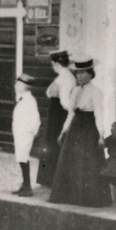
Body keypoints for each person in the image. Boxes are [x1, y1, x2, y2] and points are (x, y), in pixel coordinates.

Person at [48, 56, 112, 207]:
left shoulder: (96, 91)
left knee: (87, 163)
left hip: (88, 130)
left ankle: (87, 199)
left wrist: (101, 134)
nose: (80, 76)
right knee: (70, 161)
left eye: (83, 73)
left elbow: (99, 114)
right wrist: (63, 131)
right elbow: (71, 113)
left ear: (90, 74)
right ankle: (69, 197)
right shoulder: (76, 90)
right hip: (75, 128)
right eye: (78, 73)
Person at [34, 50, 76, 187]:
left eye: (53, 63)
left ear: (56, 63)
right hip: (56, 115)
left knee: (53, 145)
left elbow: (64, 102)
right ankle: (49, 179)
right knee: (52, 145)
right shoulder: (64, 76)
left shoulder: (65, 78)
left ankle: (52, 180)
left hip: (59, 115)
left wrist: (72, 110)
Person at [11, 74, 42, 197]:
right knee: (21, 158)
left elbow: (36, 119)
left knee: (23, 158)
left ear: (24, 86)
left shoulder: (30, 100)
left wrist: (31, 132)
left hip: (25, 134)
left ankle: (28, 187)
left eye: (18, 84)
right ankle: (25, 185)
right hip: (20, 133)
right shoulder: (23, 98)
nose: (15, 86)